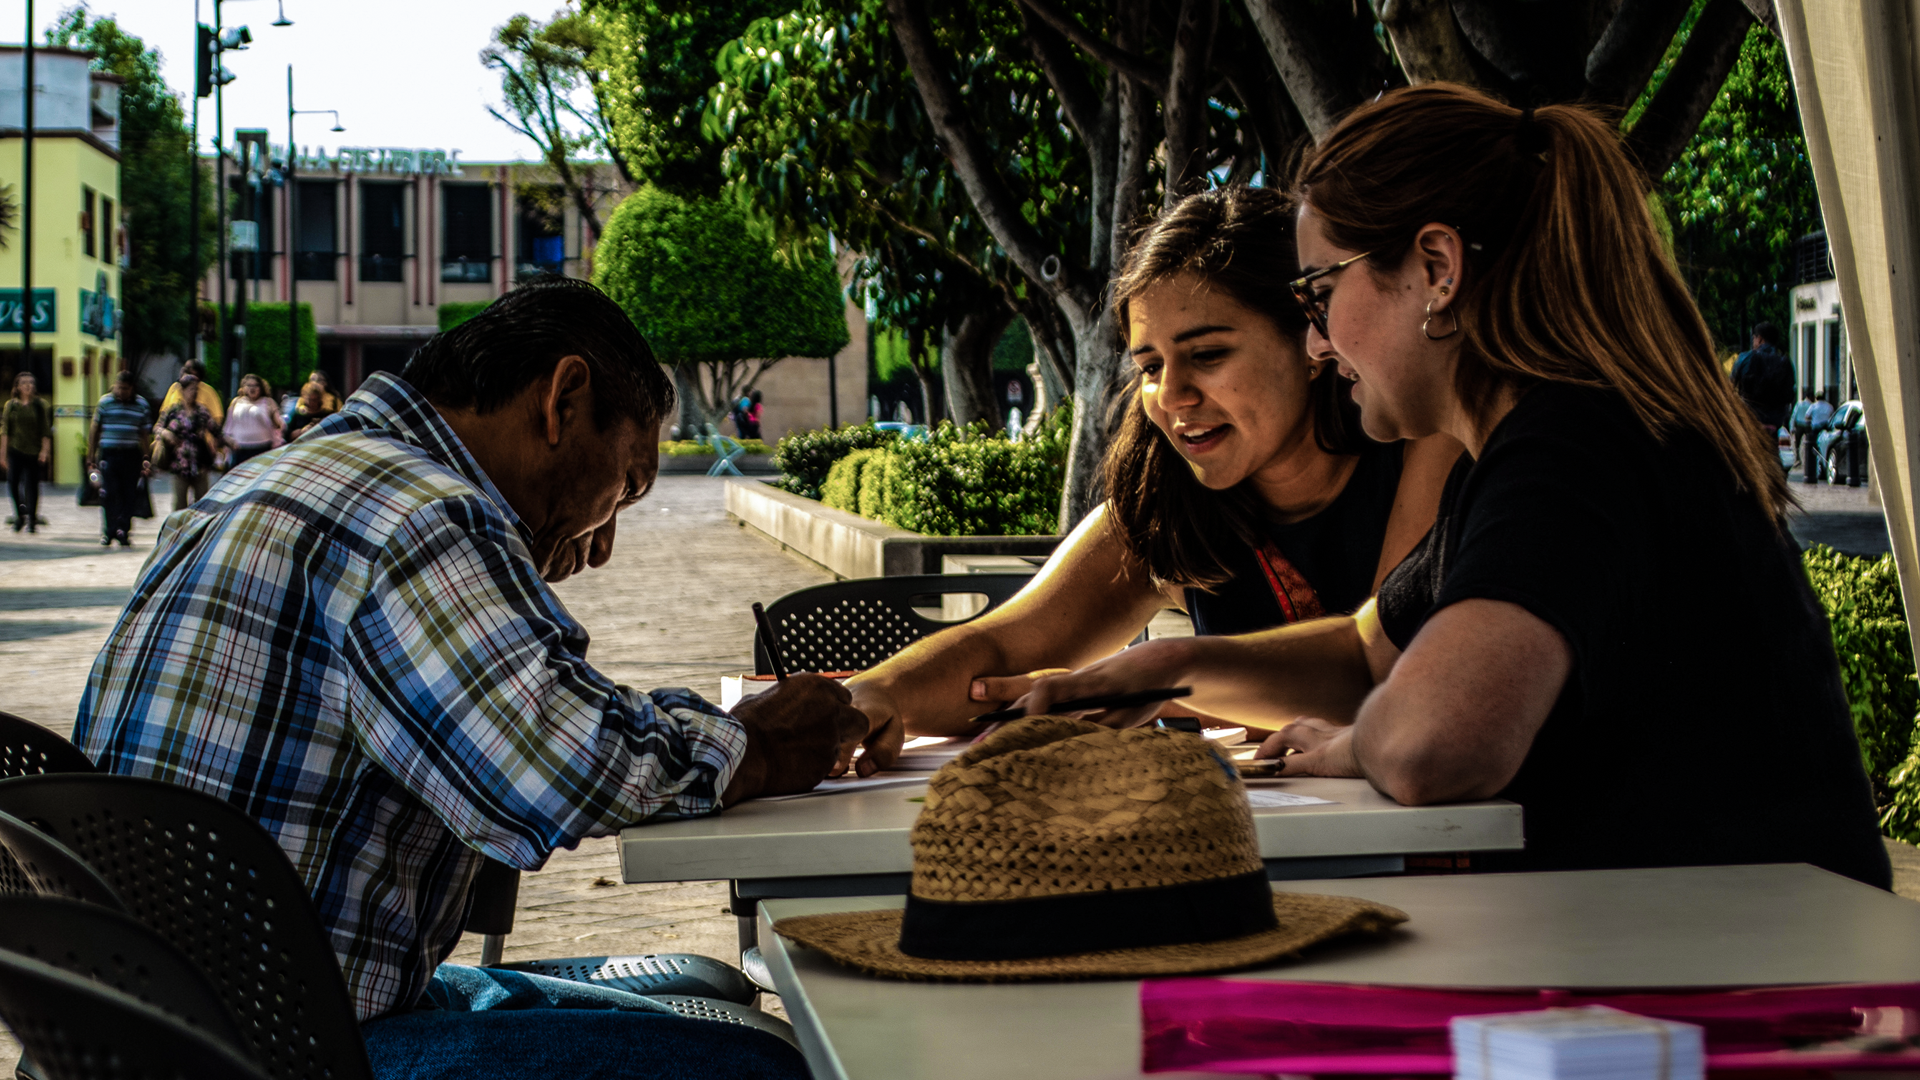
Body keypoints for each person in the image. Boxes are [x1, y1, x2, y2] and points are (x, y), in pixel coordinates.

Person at [1015, 85, 1890, 889]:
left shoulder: (1576, 446)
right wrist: (1169, 668)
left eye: (1319, 295)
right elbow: (1368, 653)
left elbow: (1438, 742)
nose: (1317, 346)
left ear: (1436, 269)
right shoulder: (1546, 442)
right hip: (1692, 960)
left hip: (1759, 994)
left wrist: (1355, 747)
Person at [74, 278, 860, 1078]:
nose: (602, 546)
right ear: (563, 399)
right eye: (623, 488)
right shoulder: (418, 512)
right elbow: (557, 764)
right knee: (759, 1065)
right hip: (281, 1047)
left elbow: (522, 719)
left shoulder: (276, 479)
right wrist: (759, 742)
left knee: (709, 993)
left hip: (150, 1024)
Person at [843, 186, 1457, 773]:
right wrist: (866, 699)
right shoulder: (1167, 504)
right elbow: (1004, 647)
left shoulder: (1429, 447)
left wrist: (1166, 686)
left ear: (1313, 337)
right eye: (1151, 366)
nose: (1173, 395)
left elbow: (1380, 672)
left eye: (1209, 354)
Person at [86, 371, 152, 547]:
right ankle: (109, 530)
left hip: (131, 454)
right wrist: (91, 455)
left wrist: (147, 457)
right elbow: (95, 429)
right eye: (119, 387)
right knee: (109, 493)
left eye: (125, 388)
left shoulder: (141, 405)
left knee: (129, 493)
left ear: (132, 388)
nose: (121, 391)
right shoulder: (105, 403)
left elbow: (144, 434)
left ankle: (124, 530)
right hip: (109, 453)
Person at [153, 372, 226, 511]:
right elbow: (157, 427)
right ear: (183, 390)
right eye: (191, 389)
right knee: (179, 504)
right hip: (179, 464)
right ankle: (179, 531)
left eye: (196, 390)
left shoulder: (201, 411)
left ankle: (199, 530)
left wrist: (228, 443)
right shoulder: (173, 411)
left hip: (200, 463)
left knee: (202, 503)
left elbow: (216, 431)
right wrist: (166, 433)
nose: (194, 393)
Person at [2, 372, 50, 533]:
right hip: (15, 449)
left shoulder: (40, 405)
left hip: (33, 451)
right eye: (24, 383)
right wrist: (3, 455)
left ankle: (32, 517)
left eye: (31, 383)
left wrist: (44, 451)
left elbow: (45, 430)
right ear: (18, 387)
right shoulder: (11, 406)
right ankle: (19, 515)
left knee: (32, 485)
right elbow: (6, 431)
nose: (28, 386)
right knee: (13, 483)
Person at [1732, 322, 1794, 438]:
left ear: (1759, 339)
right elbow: (1790, 394)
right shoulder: (1785, 362)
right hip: (1774, 423)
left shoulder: (1745, 358)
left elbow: (1730, 387)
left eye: (1754, 338)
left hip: (1750, 420)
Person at [225, 373, 283, 467]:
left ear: (261, 388)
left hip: (262, 448)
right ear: (243, 388)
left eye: (255, 385)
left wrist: (275, 419)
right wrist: (229, 441)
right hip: (240, 449)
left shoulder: (268, 402)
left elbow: (279, 425)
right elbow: (228, 426)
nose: (252, 388)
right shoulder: (236, 402)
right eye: (249, 385)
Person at [157, 359, 225, 424]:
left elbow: (217, 418)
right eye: (184, 370)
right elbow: (164, 413)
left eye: (189, 373)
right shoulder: (174, 388)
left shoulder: (208, 392)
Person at [1805, 392, 1836, 483]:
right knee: (1824, 448)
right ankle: (1823, 466)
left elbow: (1807, 416)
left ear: (1816, 398)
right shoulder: (1829, 406)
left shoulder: (1813, 406)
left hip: (1816, 428)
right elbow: (1832, 416)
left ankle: (1817, 469)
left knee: (1815, 449)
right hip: (1826, 428)